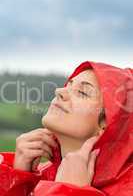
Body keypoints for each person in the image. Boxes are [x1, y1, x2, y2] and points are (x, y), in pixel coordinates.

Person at [0, 61, 133, 196]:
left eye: (82, 92)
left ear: (110, 122)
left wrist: (69, 192)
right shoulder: (40, 173)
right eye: (68, 85)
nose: (59, 91)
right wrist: (17, 181)